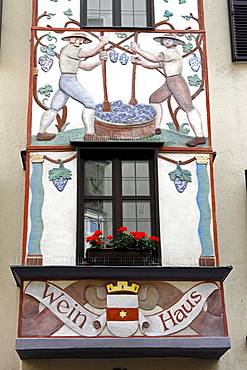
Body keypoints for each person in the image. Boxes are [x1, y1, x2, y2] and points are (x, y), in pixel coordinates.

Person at [131, 33, 206, 147]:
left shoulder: (171, 52)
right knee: (154, 100)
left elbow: (155, 58)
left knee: (188, 107)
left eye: (169, 40)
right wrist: (140, 62)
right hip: (169, 82)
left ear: (175, 42)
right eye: (165, 40)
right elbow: (155, 65)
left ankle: (200, 136)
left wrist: (138, 49)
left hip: (176, 81)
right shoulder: (168, 55)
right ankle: (156, 128)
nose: (166, 42)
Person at [36, 32, 108, 141]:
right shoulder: (70, 49)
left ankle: (41, 132)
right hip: (69, 80)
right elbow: (88, 53)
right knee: (90, 104)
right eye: (77, 39)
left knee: (54, 107)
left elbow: (85, 66)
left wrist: (100, 61)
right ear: (71, 39)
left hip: (66, 80)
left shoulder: (72, 52)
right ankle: (90, 134)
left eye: (82, 40)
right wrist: (102, 43)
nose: (80, 41)